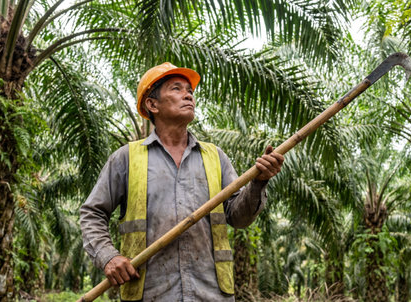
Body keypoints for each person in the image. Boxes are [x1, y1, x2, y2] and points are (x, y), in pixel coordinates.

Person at [80, 62, 284, 302]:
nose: (188, 95)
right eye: (176, 88)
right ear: (152, 104)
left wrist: (258, 183)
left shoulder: (215, 157)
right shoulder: (126, 158)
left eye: (190, 91)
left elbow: (239, 219)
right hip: (151, 293)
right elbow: (92, 213)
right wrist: (108, 257)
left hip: (210, 293)